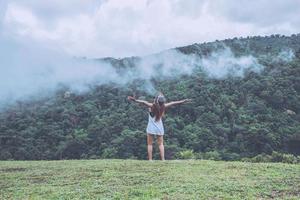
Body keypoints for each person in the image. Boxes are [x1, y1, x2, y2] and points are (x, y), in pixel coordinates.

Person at [128, 92, 191, 161]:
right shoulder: (164, 106)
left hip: (151, 127)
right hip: (159, 127)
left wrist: (135, 100)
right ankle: (163, 159)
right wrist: (183, 101)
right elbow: (174, 103)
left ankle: (150, 159)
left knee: (149, 144)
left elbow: (143, 102)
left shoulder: (151, 106)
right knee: (161, 144)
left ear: (156, 100)